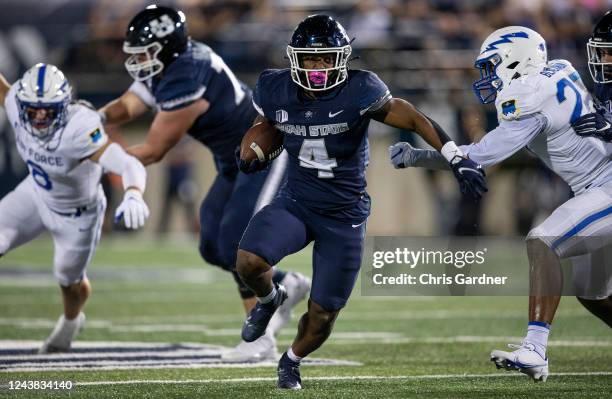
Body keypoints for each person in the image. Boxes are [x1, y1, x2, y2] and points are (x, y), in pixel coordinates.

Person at [236, 14, 487, 390]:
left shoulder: (360, 89)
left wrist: (455, 157)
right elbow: (266, 126)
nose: (318, 67)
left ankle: (291, 361)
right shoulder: (275, 87)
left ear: (343, 58)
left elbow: (414, 119)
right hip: (297, 202)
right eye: (310, 58)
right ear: (295, 58)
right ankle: (271, 298)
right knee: (248, 261)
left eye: (326, 58)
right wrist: (253, 148)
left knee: (322, 316)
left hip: (343, 214)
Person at [390, 26, 612, 382]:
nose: (489, 76)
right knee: (592, 294)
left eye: (493, 65)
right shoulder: (559, 68)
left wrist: (419, 157)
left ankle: (535, 349)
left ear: (516, 59)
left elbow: (479, 156)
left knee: (543, 241)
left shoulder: (527, 94)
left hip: (605, 184)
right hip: (594, 186)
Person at [97, 4, 310, 361]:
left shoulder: (187, 73)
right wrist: (94, 117)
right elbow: (130, 104)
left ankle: (260, 337)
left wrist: (92, 154)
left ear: (167, 49)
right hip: (233, 161)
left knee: (235, 242)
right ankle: (284, 285)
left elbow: (152, 149)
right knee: (212, 244)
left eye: (147, 52)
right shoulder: (170, 66)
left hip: (264, 153)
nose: (140, 61)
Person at [0, 63, 150, 353]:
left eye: (49, 110)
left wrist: (133, 193)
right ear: (22, 104)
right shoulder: (15, 103)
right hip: (35, 194)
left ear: (64, 105)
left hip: (77, 215)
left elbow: (127, 162)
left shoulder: (79, 127)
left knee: (69, 281)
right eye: (33, 109)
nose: (40, 116)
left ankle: (71, 322)